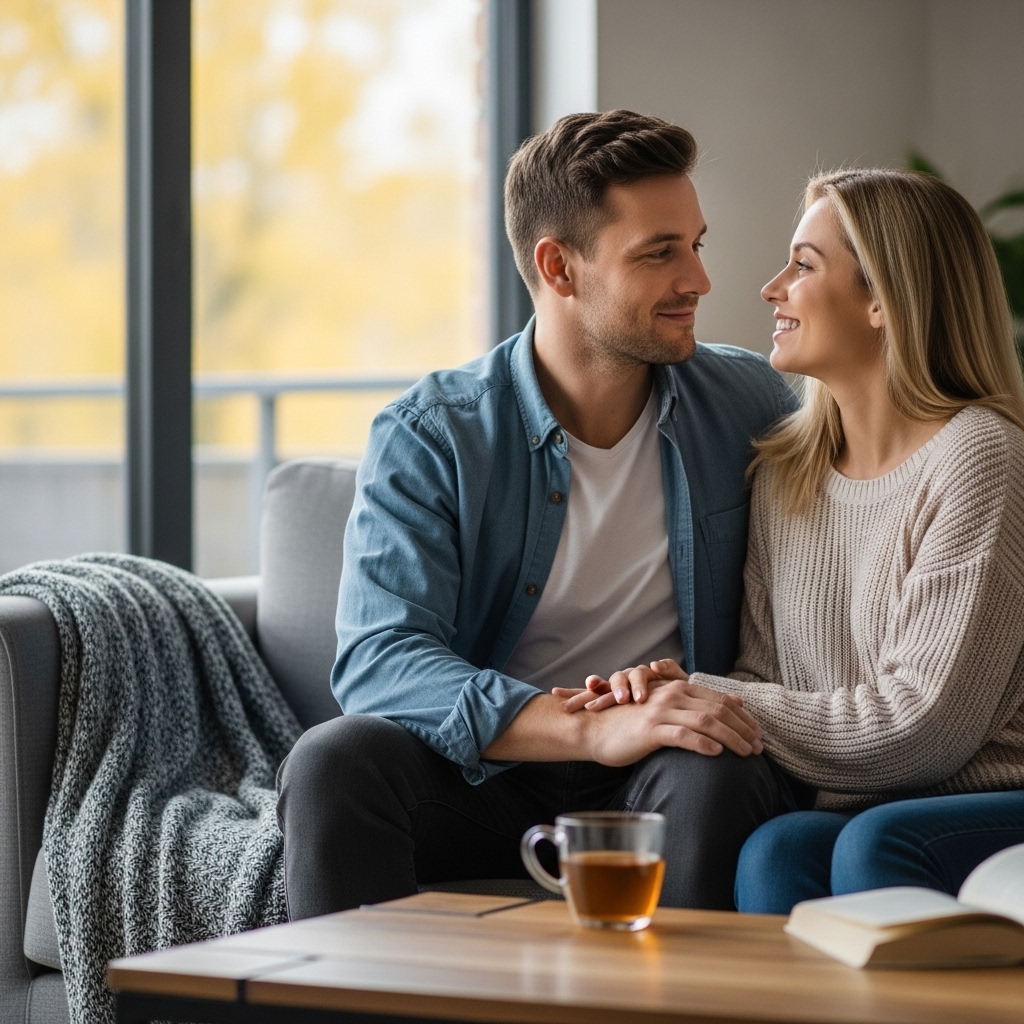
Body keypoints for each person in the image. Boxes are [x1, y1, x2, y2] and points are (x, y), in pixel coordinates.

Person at [275, 109, 799, 919]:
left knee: (719, 764)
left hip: (659, 776)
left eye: (696, 244)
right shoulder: (434, 434)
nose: (697, 280)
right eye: (660, 253)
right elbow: (380, 657)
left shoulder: (746, 402)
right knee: (334, 762)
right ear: (559, 267)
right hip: (485, 774)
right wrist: (585, 728)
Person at [567, 168, 1024, 913]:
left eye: (803, 265)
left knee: (877, 844)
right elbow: (764, 675)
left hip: (992, 792)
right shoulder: (787, 472)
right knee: (778, 848)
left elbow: (923, 730)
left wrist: (695, 688)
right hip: (857, 803)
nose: (770, 288)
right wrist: (681, 700)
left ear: (882, 300)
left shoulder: (979, 455)